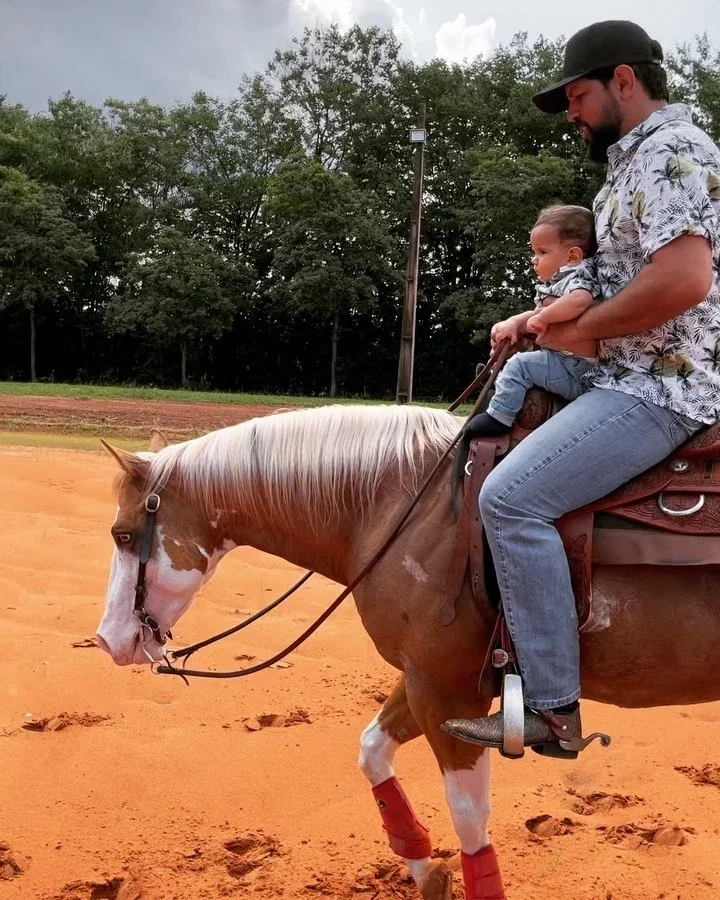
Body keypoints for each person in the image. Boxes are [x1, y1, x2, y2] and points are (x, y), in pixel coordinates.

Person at [442, 19, 720, 755]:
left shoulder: (673, 153)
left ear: (622, 81)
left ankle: (552, 706)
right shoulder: (624, 170)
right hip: (621, 369)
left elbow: (684, 280)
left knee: (512, 500)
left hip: (664, 385)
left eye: (577, 95)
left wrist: (584, 329)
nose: (571, 111)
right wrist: (532, 321)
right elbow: (600, 275)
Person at [468, 204, 600, 438]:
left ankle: (499, 416)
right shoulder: (560, 282)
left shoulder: (578, 277)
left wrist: (543, 317)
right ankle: (500, 382)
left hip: (575, 368)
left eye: (542, 252)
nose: (534, 259)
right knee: (521, 362)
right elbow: (539, 310)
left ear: (572, 256)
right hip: (566, 362)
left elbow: (580, 300)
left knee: (521, 365)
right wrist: (514, 322)